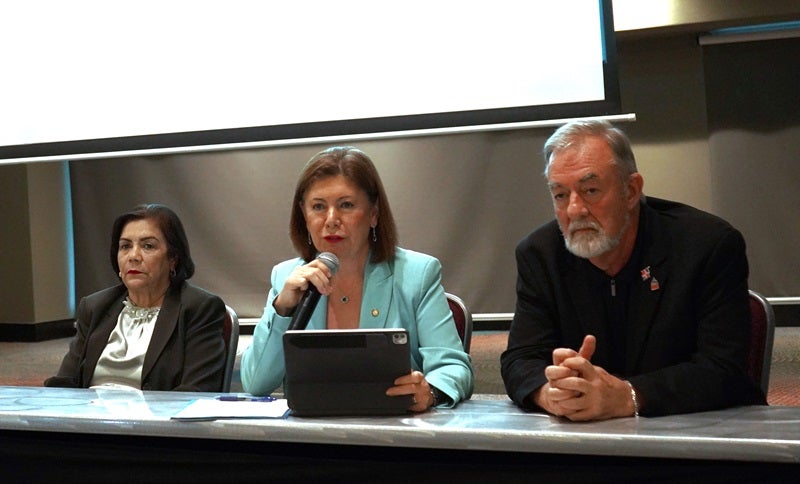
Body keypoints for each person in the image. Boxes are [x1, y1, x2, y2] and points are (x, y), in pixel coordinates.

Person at [501, 119, 766, 421]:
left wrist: (628, 395)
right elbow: (520, 360)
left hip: (697, 435)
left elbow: (723, 369)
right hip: (585, 439)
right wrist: (552, 392)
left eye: (590, 190)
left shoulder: (707, 245)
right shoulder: (540, 254)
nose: (574, 209)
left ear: (631, 191)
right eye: (560, 195)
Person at [241, 146, 473, 411]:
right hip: (309, 438)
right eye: (318, 207)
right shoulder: (287, 277)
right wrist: (283, 309)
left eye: (346, 205)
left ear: (374, 214)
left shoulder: (417, 274)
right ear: (303, 217)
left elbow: (454, 369)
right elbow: (255, 384)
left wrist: (429, 392)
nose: (331, 220)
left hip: (394, 437)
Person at [45, 203, 227, 392]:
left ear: (173, 258)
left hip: (156, 419)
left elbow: (197, 390)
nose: (133, 256)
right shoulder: (95, 307)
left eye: (148, 246)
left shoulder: (199, 308)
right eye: (125, 246)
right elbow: (66, 382)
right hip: (93, 417)